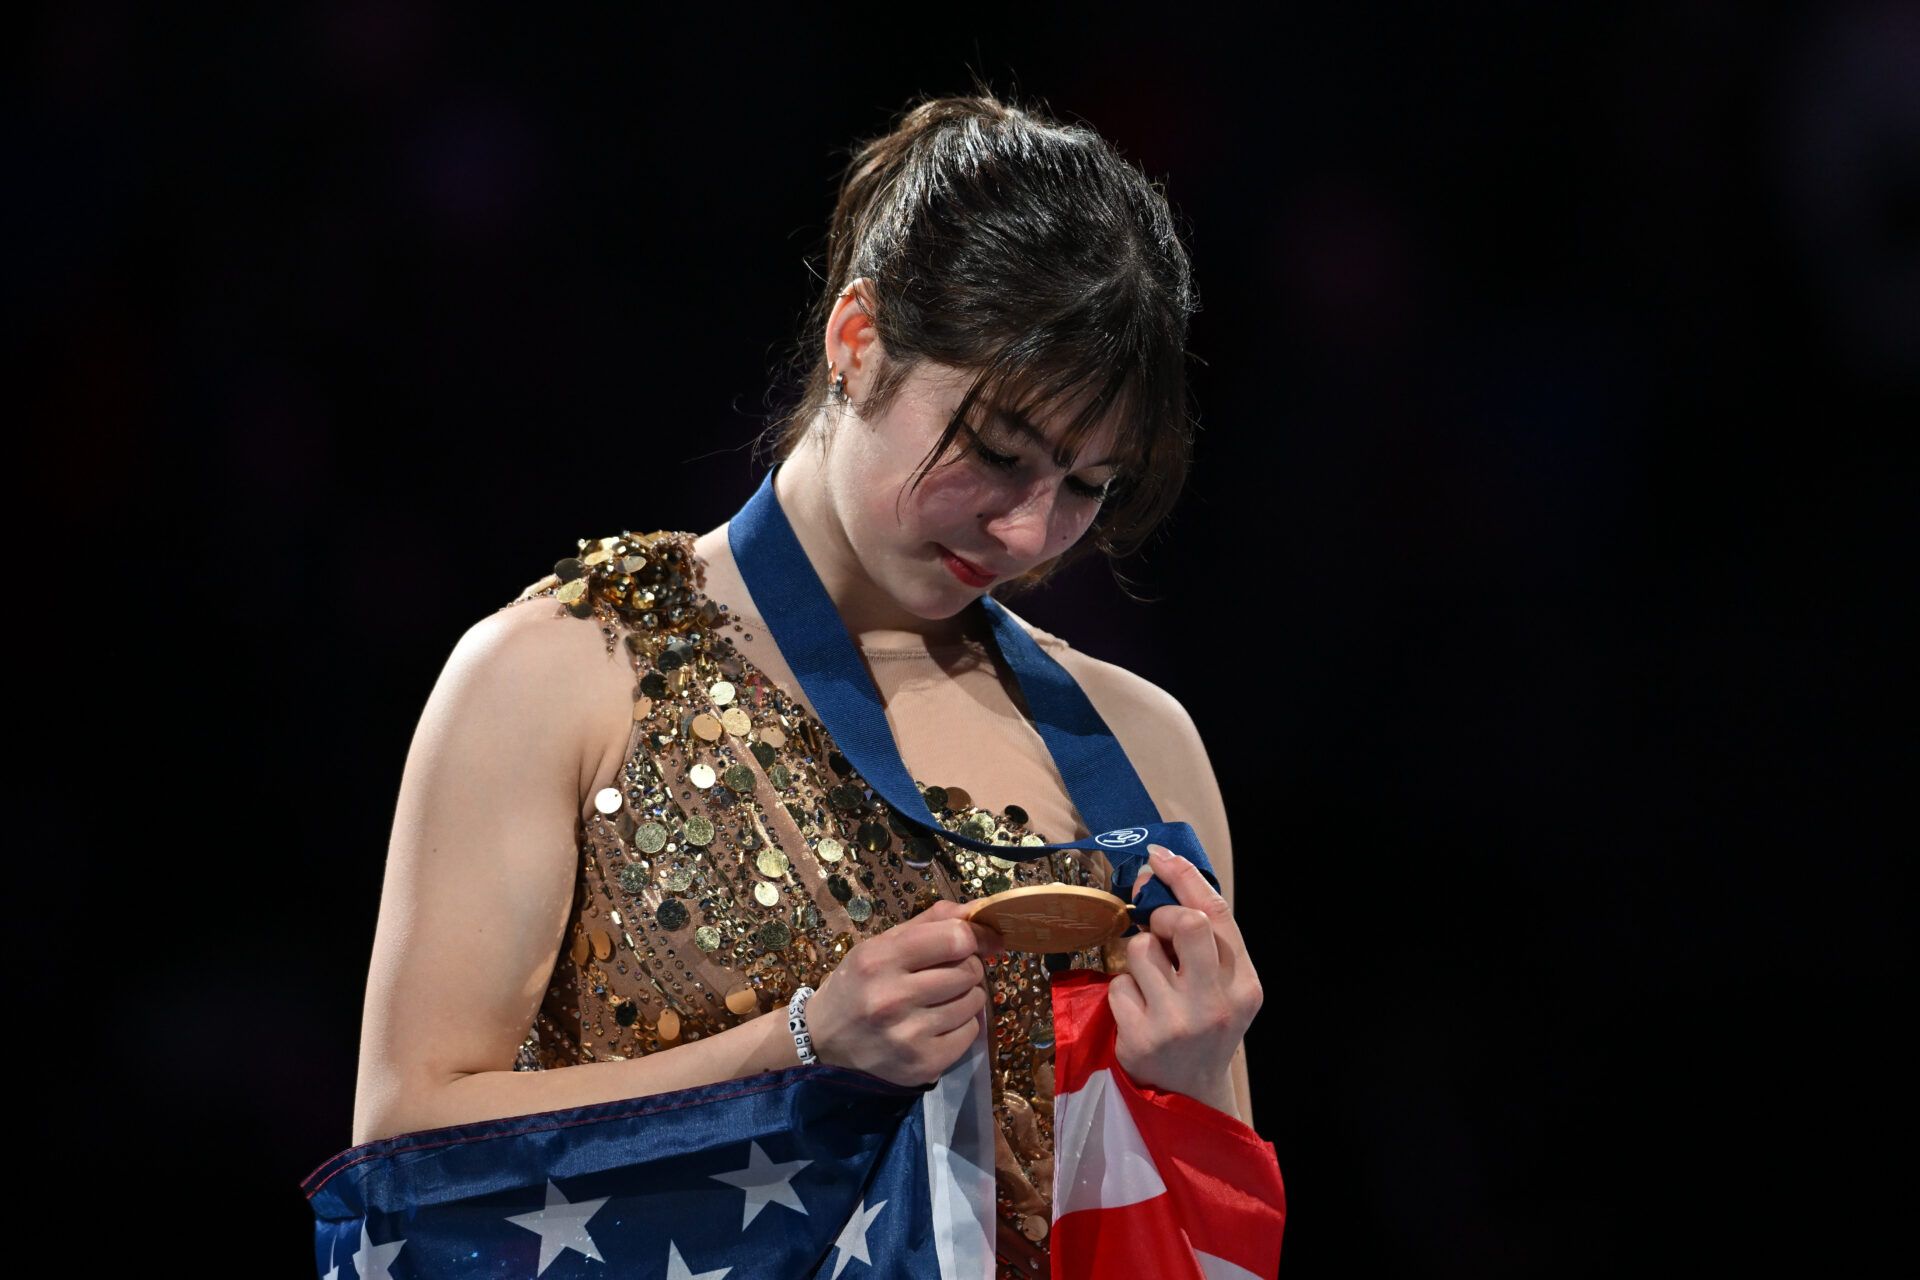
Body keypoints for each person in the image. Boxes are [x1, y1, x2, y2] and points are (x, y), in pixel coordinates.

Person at [350, 90, 1265, 1278]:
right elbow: (403, 1143)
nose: (1031, 527)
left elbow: (1190, 1223)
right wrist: (796, 1043)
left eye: (1087, 484)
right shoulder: (560, 673)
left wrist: (1192, 1085)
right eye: (995, 450)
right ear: (857, 339)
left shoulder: (1147, 746)